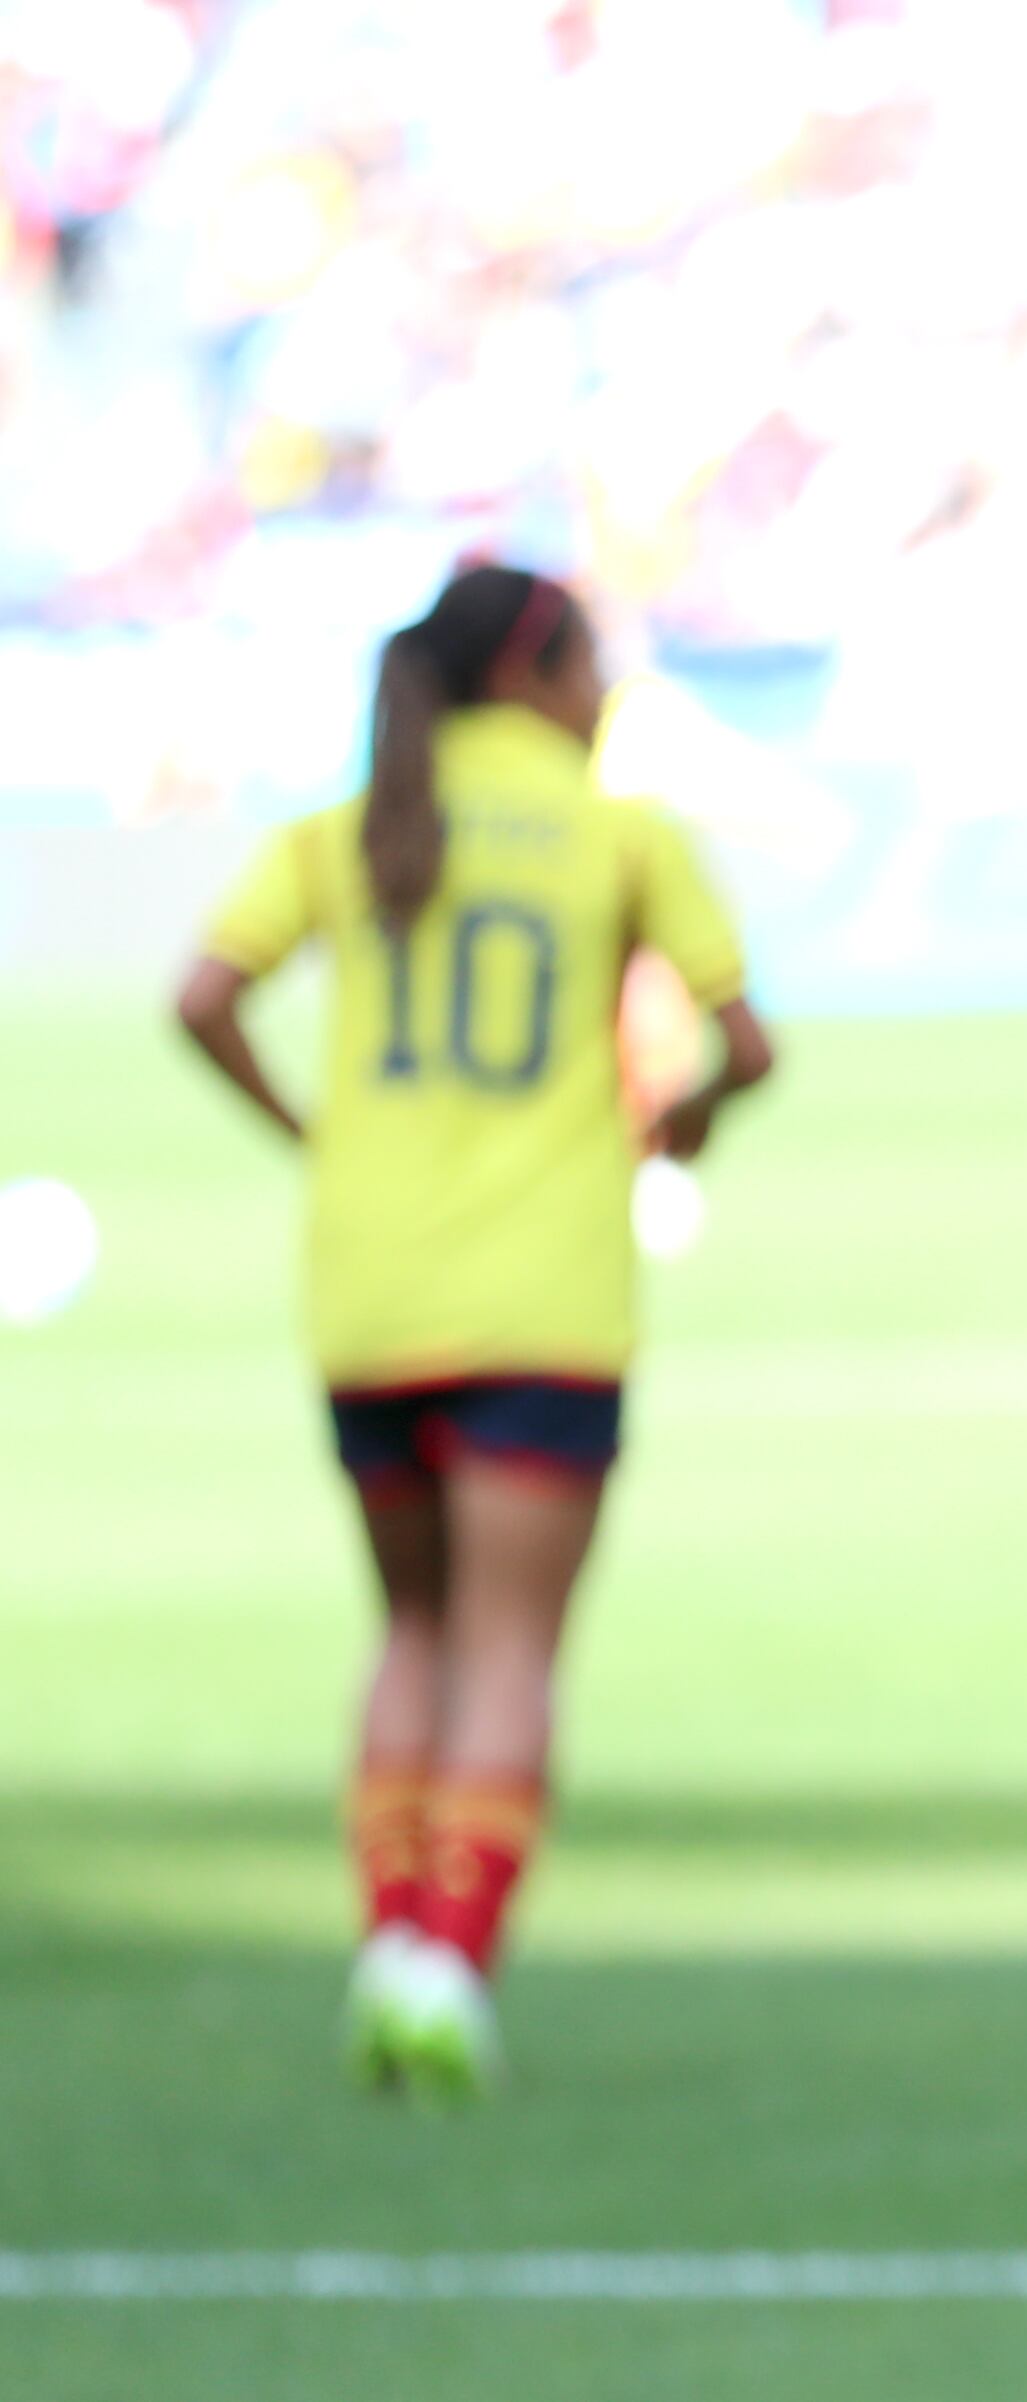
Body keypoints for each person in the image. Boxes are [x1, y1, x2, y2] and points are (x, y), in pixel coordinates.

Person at [174, 562, 774, 2103]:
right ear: (536, 672)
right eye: (592, 667)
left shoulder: (353, 826)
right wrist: (687, 1119)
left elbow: (200, 995)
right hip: (545, 1300)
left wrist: (310, 1127)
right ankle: (449, 1955)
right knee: (511, 1643)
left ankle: (387, 1942)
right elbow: (744, 1041)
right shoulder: (621, 834)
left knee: (412, 1630)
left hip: (366, 1293)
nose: (604, 696)